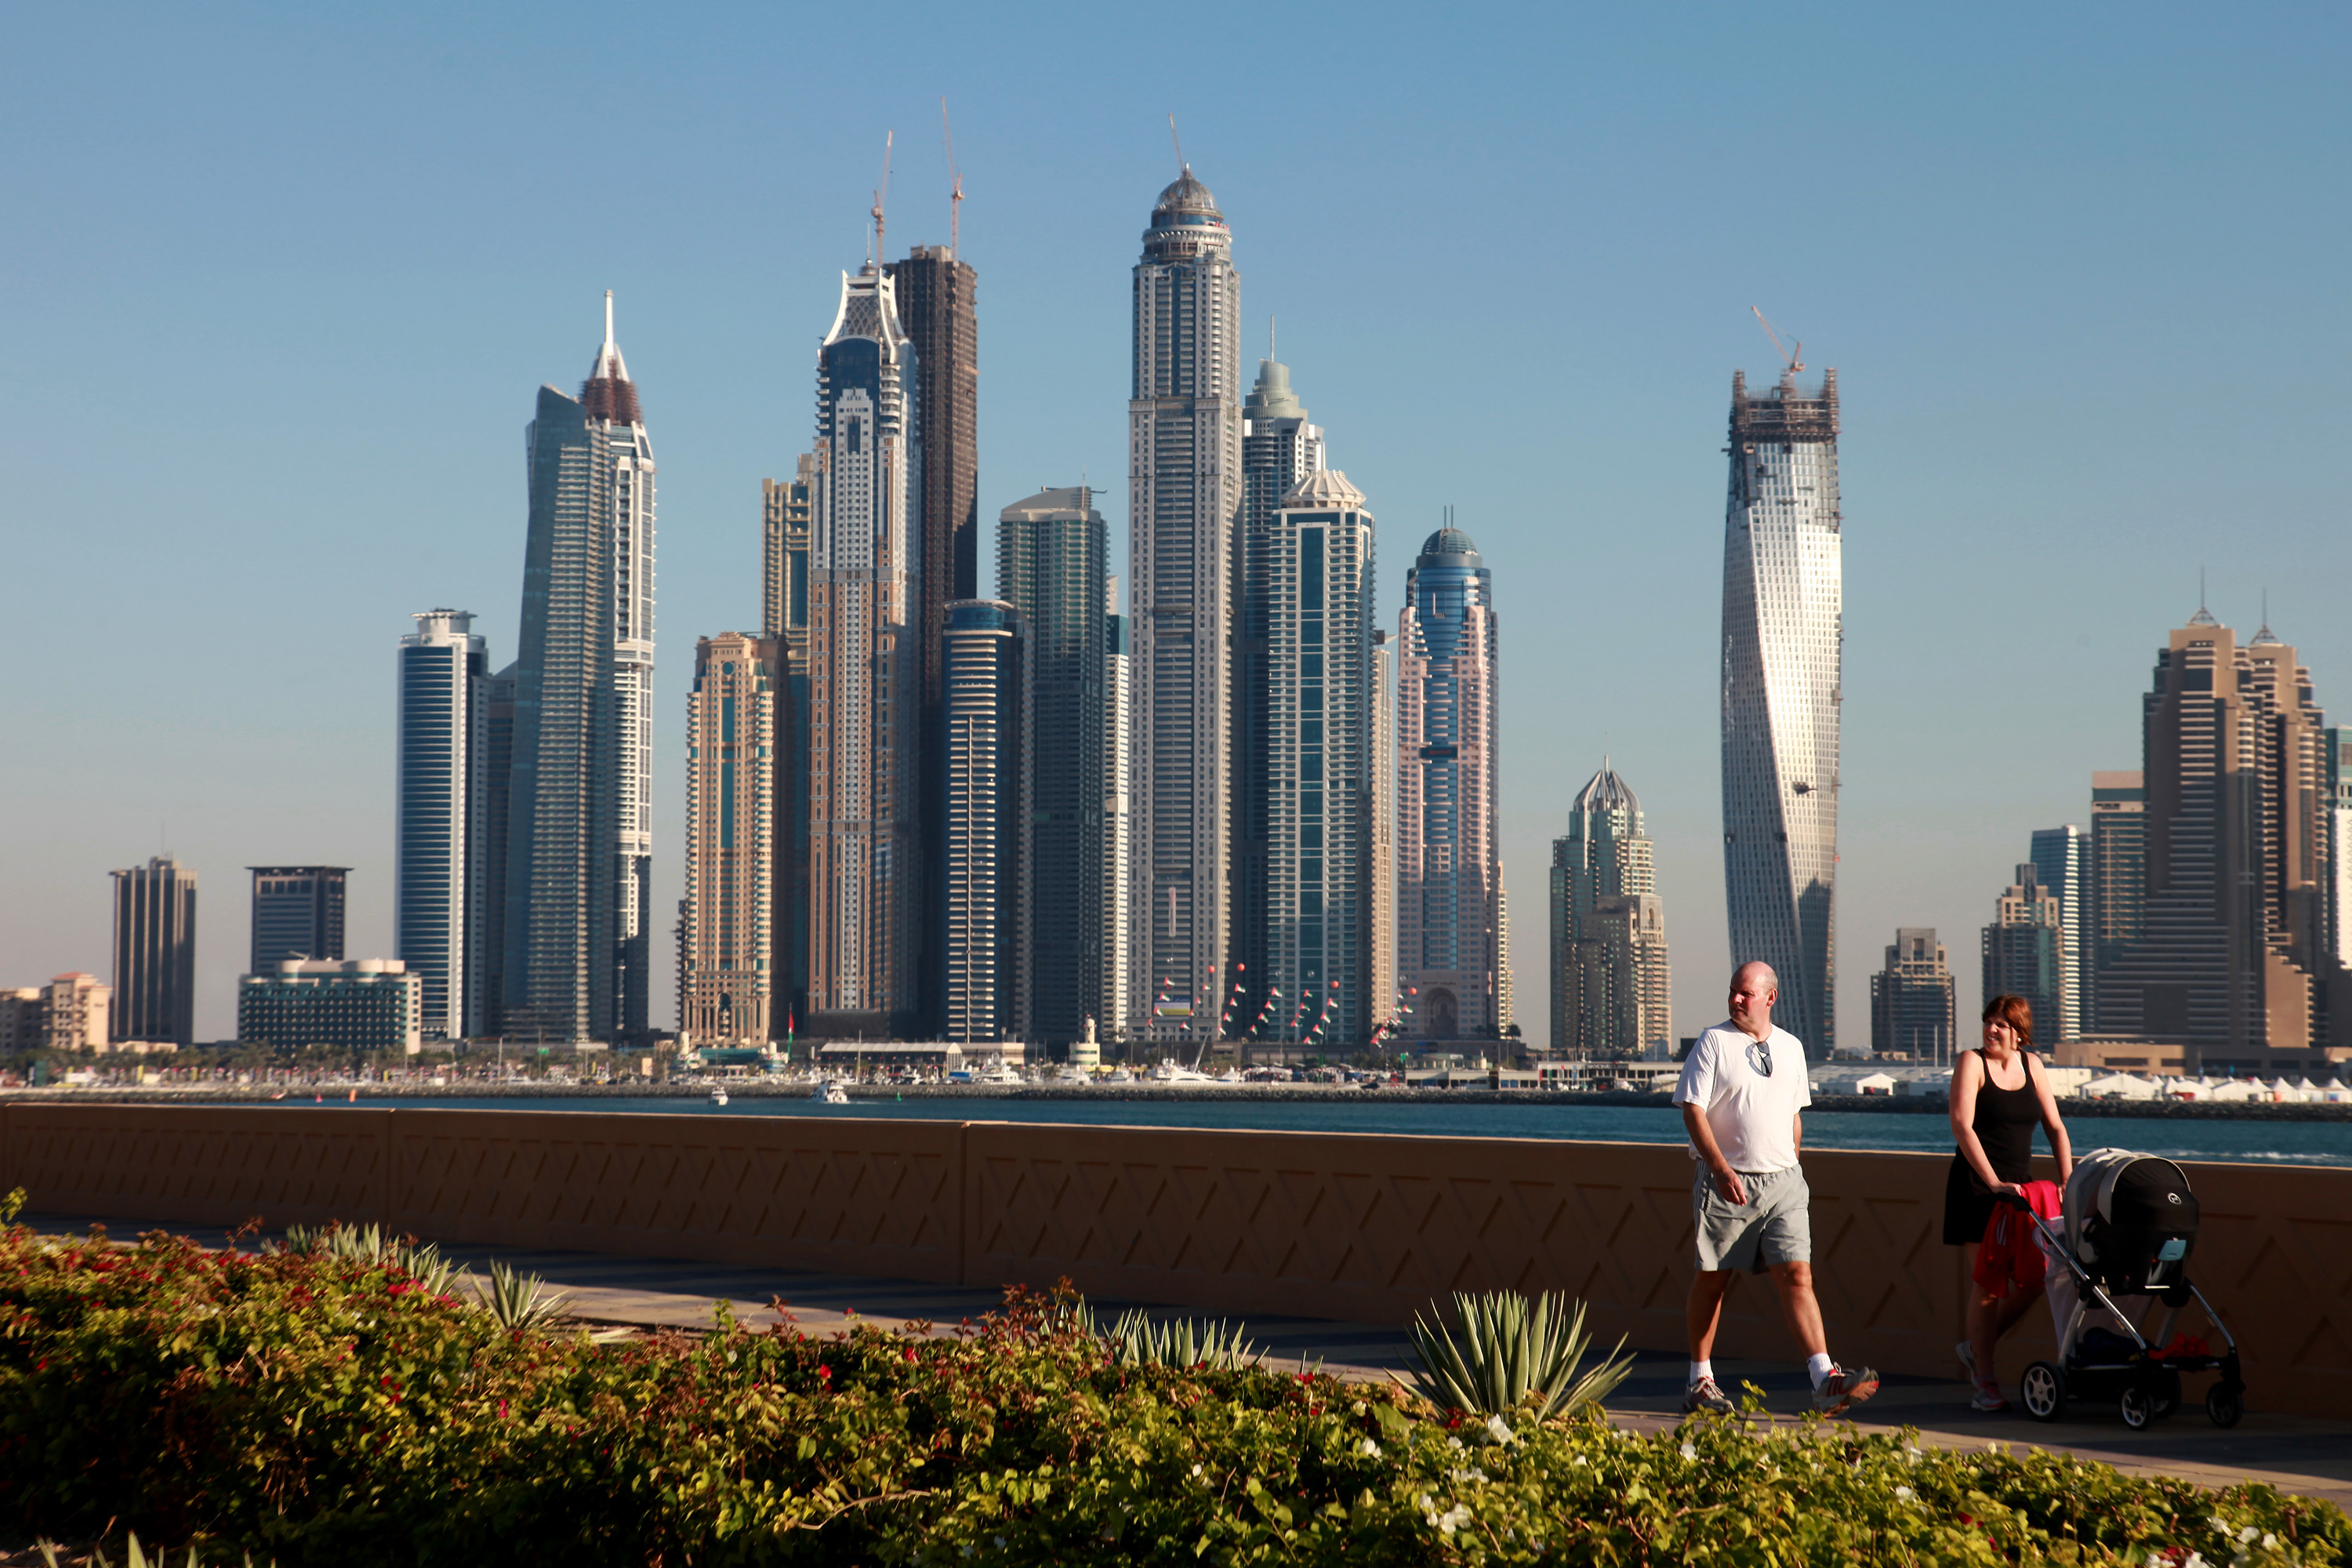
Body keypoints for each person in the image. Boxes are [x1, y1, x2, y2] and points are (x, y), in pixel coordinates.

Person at [1675, 961, 1880, 1416]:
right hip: (1727, 1181)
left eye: (1746, 994)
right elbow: (1692, 1110)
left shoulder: (1791, 1047)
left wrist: (1793, 1164)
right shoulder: (1713, 1042)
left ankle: (1824, 1378)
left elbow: (1794, 1115)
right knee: (1713, 1281)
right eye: (1733, 991)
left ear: (1770, 998)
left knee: (1798, 1276)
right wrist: (1720, 1168)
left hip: (1784, 1182)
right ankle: (1700, 1379)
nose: (1736, 1000)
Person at [1947, 993, 2073, 1411]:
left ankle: (1975, 1346)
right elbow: (1963, 1127)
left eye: (2002, 1024)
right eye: (1989, 1021)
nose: (1992, 1029)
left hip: (2022, 1192)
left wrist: (2068, 1183)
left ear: (2020, 1033)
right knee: (1987, 1286)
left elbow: (2055, 1127)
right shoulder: (1972, 1062)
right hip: (1978, 1186)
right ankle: (1984, 1379)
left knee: (2037, 1279)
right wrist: (1994, 1182)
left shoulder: (2032, 1066)